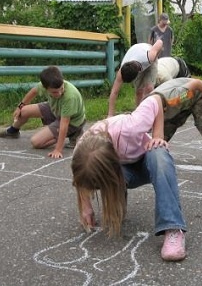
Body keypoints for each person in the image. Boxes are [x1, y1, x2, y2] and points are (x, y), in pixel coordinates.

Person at [71, 92, 187, 261]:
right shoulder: (81, 150)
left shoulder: (131, 127)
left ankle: (173, 228)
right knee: (92, 175)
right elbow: (81, 179)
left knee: (159, 155)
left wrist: (158, 136)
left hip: (147, 162)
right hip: (123, 169)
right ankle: (118, 206)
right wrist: (86, 205)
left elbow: (155, 100)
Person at [0, 66, 86, 158]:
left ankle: (74, 133)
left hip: (72, 121)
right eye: (54, 92)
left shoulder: (70, 97)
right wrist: (20, 106)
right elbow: (33, 92)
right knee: (24, 111)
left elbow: (64, 124)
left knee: (36, 142)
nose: (59, 93)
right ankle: (13, 131)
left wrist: (58, 149)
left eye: (61, 89)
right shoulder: (44, 84)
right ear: (45, 87)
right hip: (55, 108)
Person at [108, 40, 163, 117]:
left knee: (149, 88)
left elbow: (159, 42)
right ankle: (139, 114)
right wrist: (110, 115)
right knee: (139, 91)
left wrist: (156, 55)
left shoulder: (150, 56)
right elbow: (114, 92)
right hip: (136, 55)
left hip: (149, 57)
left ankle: (149, 112)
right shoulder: (122, 71)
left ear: (137, 74)